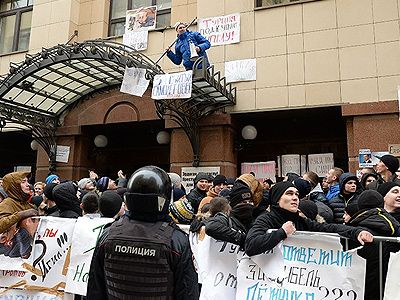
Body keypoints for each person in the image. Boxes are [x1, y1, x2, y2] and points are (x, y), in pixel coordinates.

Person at [87, 166, 199, 299]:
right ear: (165, 199)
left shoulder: (108, 234)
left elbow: (95, 290)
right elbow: (188, 293)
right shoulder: (176, 240)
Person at [245, 181, 373, 257]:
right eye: (289, 194)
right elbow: (251, 245)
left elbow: (329, 227)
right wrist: (281, 233)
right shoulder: (265, 219)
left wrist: (357, 232)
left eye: (297, 194)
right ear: (277, 199)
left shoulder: (300, 220)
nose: (295, 198)